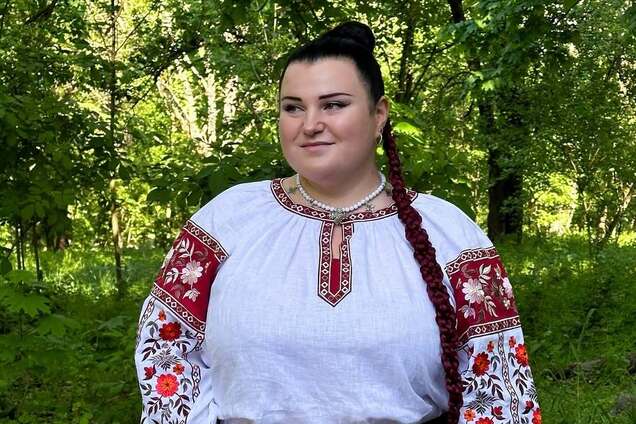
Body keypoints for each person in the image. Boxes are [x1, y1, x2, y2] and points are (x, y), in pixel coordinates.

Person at [134, 21, 541, 424]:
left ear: (378, 114)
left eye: (333, 105)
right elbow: (166, 345)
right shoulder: (228, 219)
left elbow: (500, 393)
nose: (310, 124)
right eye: (293, 107)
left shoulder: (451, 233)